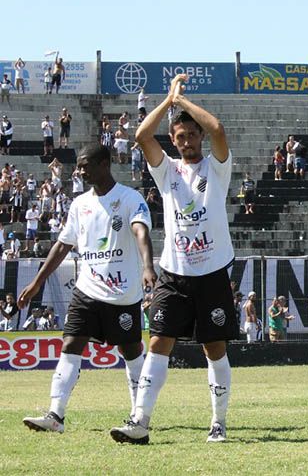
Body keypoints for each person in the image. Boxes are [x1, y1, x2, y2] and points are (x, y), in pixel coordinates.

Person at [113, 73, 239, 444]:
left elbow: (218, 128)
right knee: (158, 343)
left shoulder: (216, 167)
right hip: (174, 272)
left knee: (214, 349)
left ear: (198, 136)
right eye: (179, 137)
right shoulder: (165, 168)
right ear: (174, 140)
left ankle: (218, 422)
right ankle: (140, 420)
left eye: (190, 135)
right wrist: (168, 102)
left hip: (213, 271)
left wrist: (183, 102)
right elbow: (141, 137)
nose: (186, 142)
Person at [19, 145, 154, 435]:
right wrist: (37, 282)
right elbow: (63, 244)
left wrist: (147, 266)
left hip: (122, 293)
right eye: (79, 167)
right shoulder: (79, 204)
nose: (80, 171)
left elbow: (141, 231)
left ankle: (139, 415)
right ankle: (56, 414)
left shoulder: (130, 198)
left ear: (104, 164)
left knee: (131, 351)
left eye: (85, 166)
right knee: (70, 344)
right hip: (87, 290)